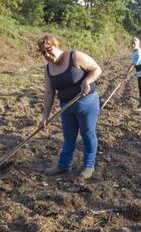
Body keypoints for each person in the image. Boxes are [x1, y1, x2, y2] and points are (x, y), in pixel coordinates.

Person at [38, 34, 102, 179]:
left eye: (49, 50)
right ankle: (63, 166)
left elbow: (96, 69)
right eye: (43, 53)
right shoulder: (48, 69)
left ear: (57, 46)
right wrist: (45, 117)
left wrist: (87, 81)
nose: (47, 54)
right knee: (68, 138)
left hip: (88, 102)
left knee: (87, 134)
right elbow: (49, 93)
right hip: (66, 107)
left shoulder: (75, 57)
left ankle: (88, 166)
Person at [127, 37, 141, 111]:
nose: (133, 45)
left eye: (134, 43)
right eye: (132, 43)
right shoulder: (135, 51)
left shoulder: (138, 53)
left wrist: (127, 73)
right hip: (140, 72)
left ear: (138, 44)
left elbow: (132, 64)